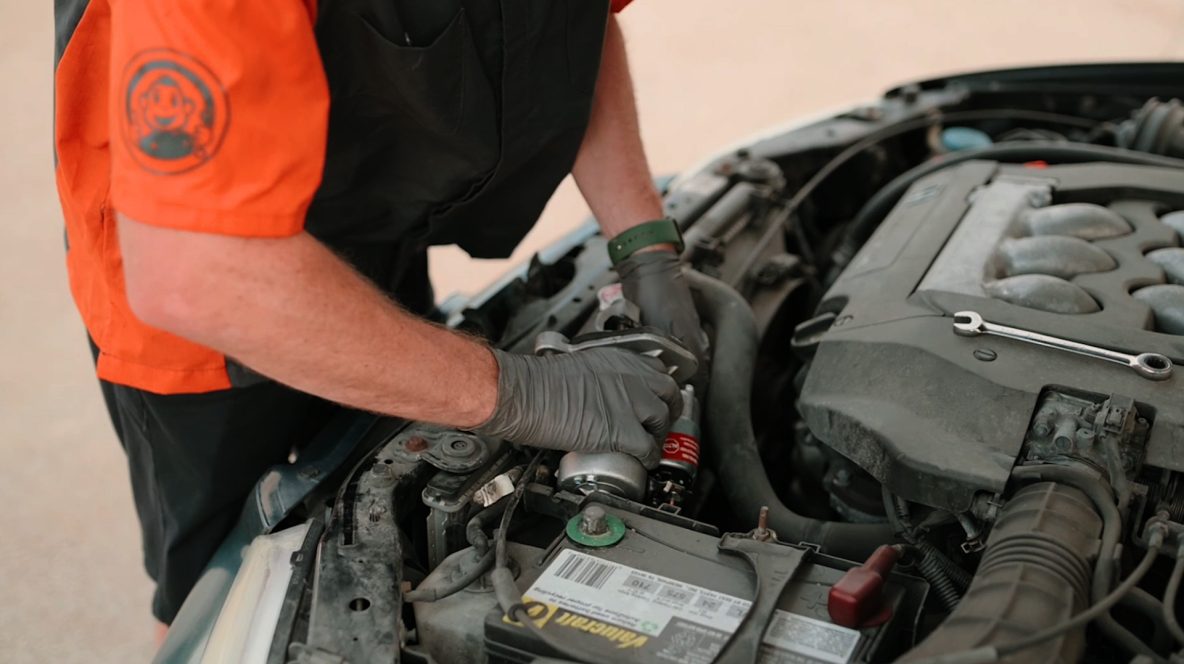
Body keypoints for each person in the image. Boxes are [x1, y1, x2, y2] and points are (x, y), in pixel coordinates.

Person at [53, 0, 708, 632]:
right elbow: (193, 272)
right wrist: (520, 392)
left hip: (370, 216)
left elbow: (574, 32)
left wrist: (643, 246)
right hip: (201, 313)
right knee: (216, 599)